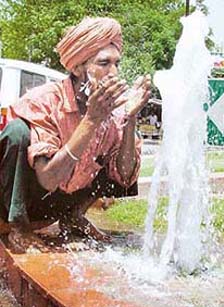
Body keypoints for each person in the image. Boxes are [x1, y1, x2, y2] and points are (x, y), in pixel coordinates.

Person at [0, 17, 151, 253]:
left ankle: (73, 216)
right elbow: (48, 180)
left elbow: (124, 176)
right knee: (18, 133)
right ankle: (18, 226)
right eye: (104, 63)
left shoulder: (114, 110)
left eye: (117, 63)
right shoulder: (44, 101)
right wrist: (92, 120)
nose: (114, 73)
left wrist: (130, 118)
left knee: (124, 144)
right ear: (78, 67)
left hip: (56, 203)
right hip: (23, 201)